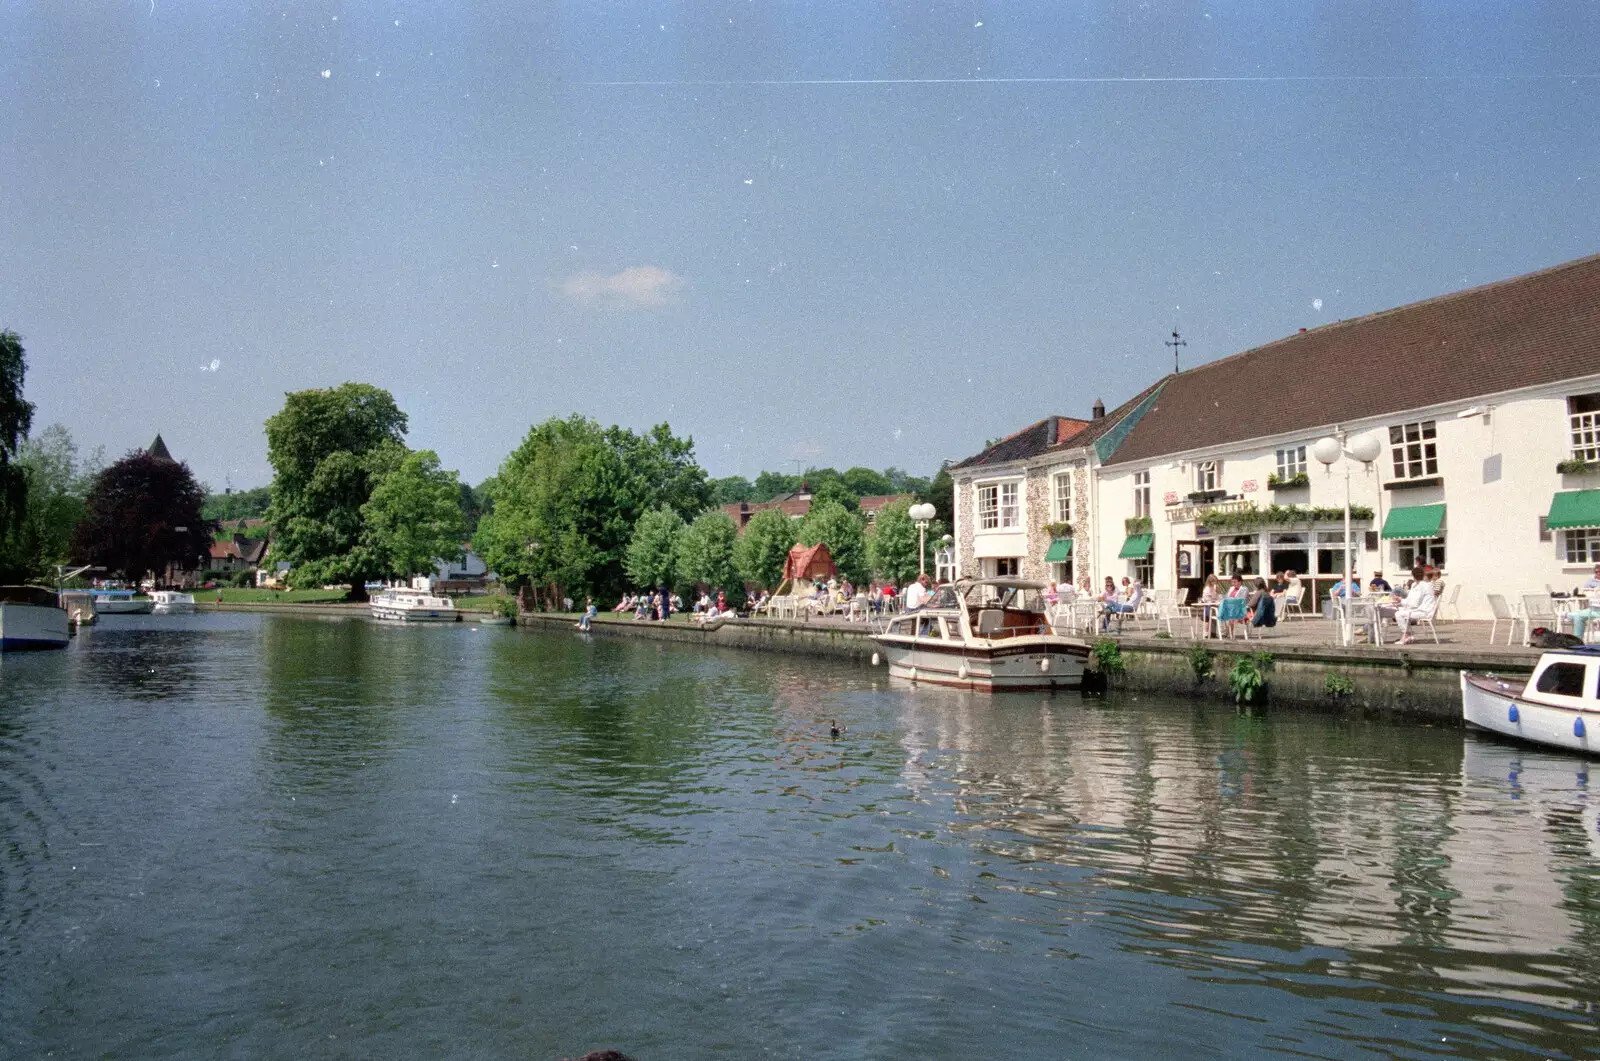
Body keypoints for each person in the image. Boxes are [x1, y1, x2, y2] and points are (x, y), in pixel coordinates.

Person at [1380, 564, 1437, 643]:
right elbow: (1410, 601)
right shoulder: (1416, 585)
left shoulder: (1423, 586)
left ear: (1413, 576)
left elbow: (1414, 604)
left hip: (1423, 611)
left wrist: (1400, 601)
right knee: (1383, 609)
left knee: (1398, 614)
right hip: (1416, 609)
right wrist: (1400, 600)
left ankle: (1406, 635)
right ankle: (1408, 635)